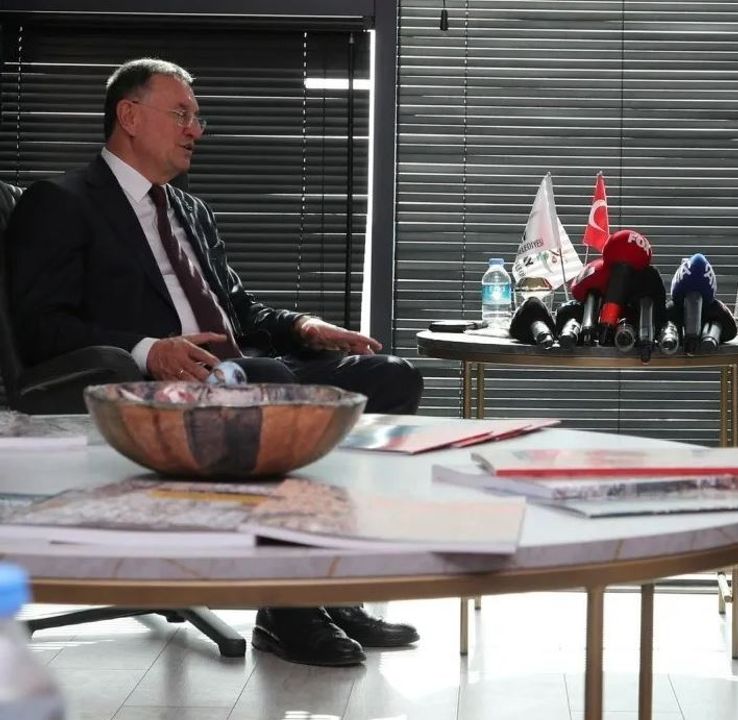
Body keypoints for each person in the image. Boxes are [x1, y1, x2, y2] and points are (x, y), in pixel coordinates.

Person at [4, 58, 424, 667]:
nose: (195, 130)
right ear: (129, 116)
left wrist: (304, 326)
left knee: (391, 379)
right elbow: (41, 325)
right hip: (150, 396)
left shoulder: (191, 211)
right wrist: (150, 350)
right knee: (273, 383)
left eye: (197, 118)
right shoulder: (62, 202)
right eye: (181, 114)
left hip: (245, 373)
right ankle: (289, 610)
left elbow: (241, 312)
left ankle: (332, 587)